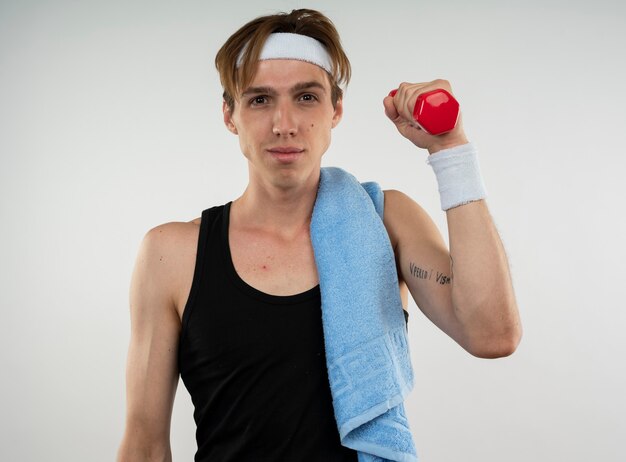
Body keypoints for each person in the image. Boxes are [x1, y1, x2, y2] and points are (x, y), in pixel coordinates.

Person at [117, 8, 522, 462]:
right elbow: (144, 444)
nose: (284, 124)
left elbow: (492, 335)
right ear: (229, 115)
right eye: (259, 100)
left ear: (336, 110)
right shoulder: (171, 254)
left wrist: (451, 151)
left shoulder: (384, 223)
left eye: (306, 97)